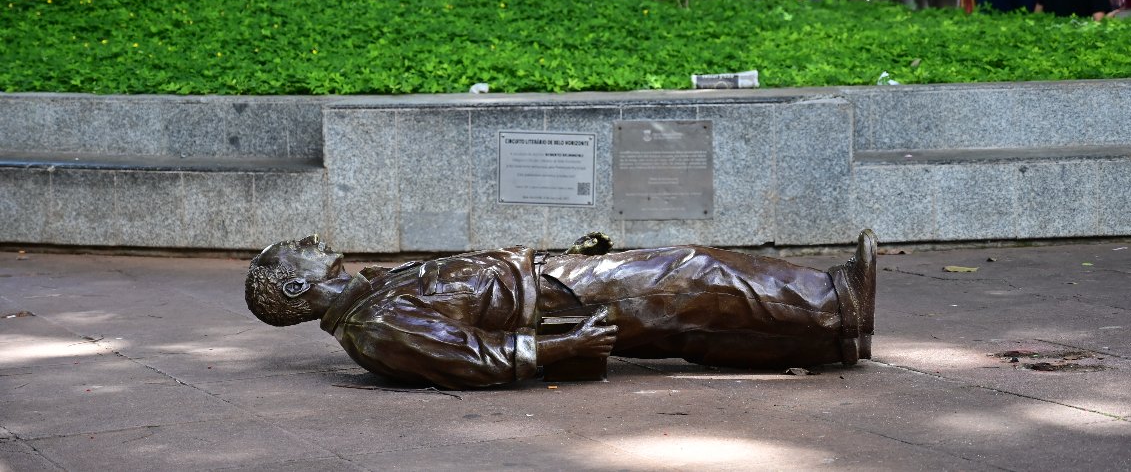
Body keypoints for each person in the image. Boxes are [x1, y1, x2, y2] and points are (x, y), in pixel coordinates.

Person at [245, 229, 878, 389]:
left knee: (689, 322)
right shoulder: (373, 328)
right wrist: (560, 349)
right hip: (557, 308)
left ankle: (828, 336)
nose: (308, 242)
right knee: (696, 276)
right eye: (295, 252)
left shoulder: (370, 295)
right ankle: (836, 302)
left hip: (554, 282)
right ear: (297, 289)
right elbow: (470, 359)